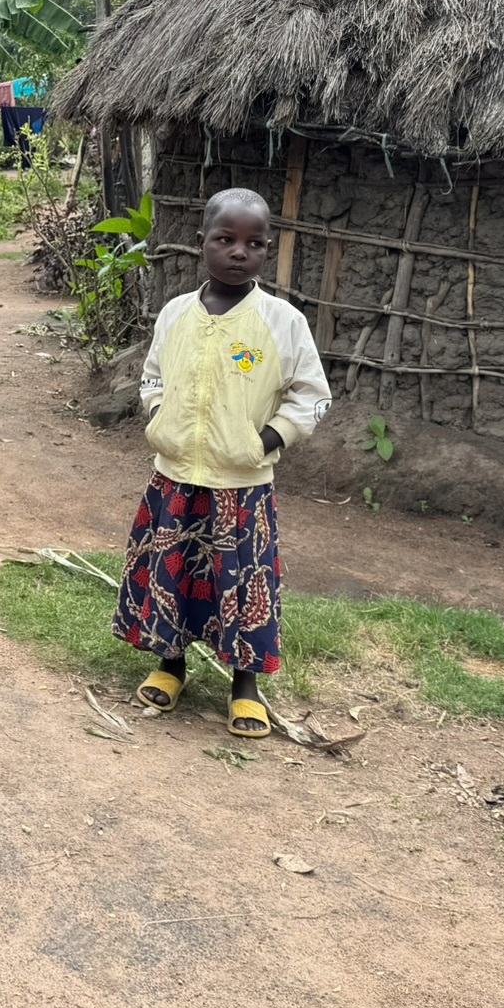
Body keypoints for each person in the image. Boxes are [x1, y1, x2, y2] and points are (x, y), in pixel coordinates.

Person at [113, 188, 330, 737]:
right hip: (175, 478)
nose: (240, 252)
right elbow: (153, 376)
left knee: (243, 585)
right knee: (173, 574)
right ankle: (170, 664)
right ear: (200, 243)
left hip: (243, 483)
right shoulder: (176, 314)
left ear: (266, 250)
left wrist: (268, 439)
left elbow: (312, 394)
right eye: (225, 240)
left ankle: (245, 685)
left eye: (255, 243)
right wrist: (161, 416)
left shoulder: (282, 322)